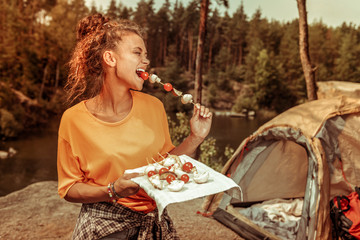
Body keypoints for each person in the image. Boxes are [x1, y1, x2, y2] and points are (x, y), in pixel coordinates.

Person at [57, 13, 212, 240]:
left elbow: (164, 164)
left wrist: (195, 137)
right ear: (110, 58)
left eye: (146, 55)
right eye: (137, 53)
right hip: (104, 227)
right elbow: (69, 189)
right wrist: (112, 190)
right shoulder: (74, 120)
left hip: (154, 221)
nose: (146, 61)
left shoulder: (154, 107)